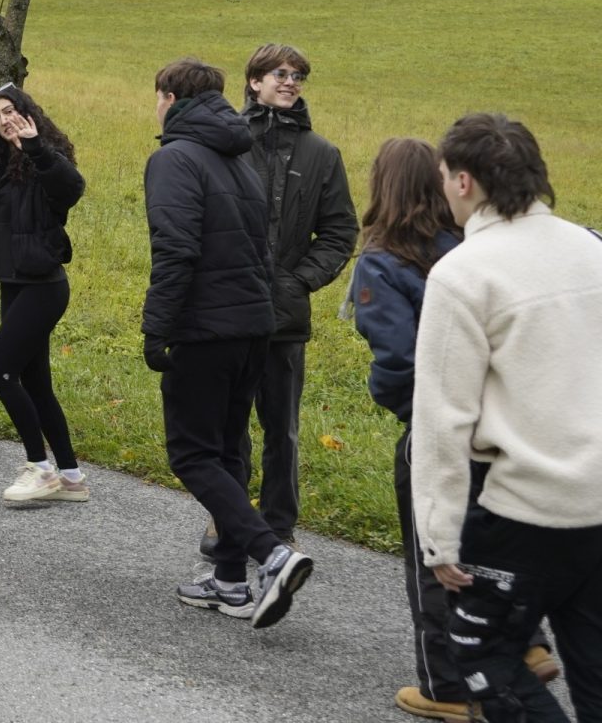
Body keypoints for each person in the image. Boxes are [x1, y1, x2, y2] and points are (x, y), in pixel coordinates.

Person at [344, 137, 560, 720]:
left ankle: (447, 689)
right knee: (494, 539)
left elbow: (398, 361)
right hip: (499, 424)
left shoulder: (382, 260)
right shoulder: (468, 246)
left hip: (438, 425)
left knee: (434, 557)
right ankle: (529, 642)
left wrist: (402, 407)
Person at [412, 113, 602, 722]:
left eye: (445, 176)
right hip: (597, 502)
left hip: (525, 509)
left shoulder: (464, 273)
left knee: (484, 658)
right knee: (595, 665)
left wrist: (438, 535)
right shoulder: (592, 247)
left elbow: (442, 418)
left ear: (464, 181)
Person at [142, 57, 311, 630]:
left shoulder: (173, 158)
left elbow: (176, 249)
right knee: (229, 451)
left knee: (192, 454)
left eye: (157, 97)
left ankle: (272, 555)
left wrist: (157, 328)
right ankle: (231, 579)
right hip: (253, 326)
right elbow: (260, 248)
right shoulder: (239, 157)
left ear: (169, 98)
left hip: (204, 327)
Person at [226, 44, 357, 554]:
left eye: (298, 75)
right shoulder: (229, 141)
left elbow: (341, 230)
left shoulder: (321, 153)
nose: (290, 81)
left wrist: (299, 280)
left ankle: (279, 526)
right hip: (228, 307)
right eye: (279, 72)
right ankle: (231, 518)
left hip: (284, 314)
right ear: (254, 80)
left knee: (282, 429)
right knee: (228, 424)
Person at [0, 82, 89, 505]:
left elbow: (71, 187)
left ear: (28, 113)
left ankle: (40, 468)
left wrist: (36, 147)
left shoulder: (46, 158)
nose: (4, 121)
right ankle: (72, 478)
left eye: (9, 112)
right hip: (13, 283)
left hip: (44, 285)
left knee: (2, 372)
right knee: (37, 384)